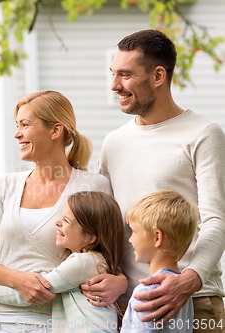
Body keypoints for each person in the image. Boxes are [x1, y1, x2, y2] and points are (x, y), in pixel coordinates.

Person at [90, 29, 225, 332]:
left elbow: (216, 219)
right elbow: (103, 220)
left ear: (158, 76)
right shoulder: (115, 142)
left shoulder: (203, 134)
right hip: (133, 306)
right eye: (113, 74)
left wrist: (189, 280)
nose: (114, 85)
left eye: (125, 75)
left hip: (196, 299)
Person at [0, 90, 125, 333]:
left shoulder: (93, 186)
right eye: (17, 125)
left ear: (55, 130)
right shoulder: (5, 185)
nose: (17, 134)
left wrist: (121, 281)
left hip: (56, 320)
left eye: (25, 125)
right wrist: (18, 280)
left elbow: (107, 254)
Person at [0, 191, 124, 333]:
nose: (57, 222)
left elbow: (35, 291)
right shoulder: (97, 262)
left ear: (91, 237)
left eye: (66, 221)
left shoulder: (82, 263)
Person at [121, 190, 198, 332]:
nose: (130, 239)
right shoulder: (184, 295)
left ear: (157, 237)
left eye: (134, 231)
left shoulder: (148, 291)